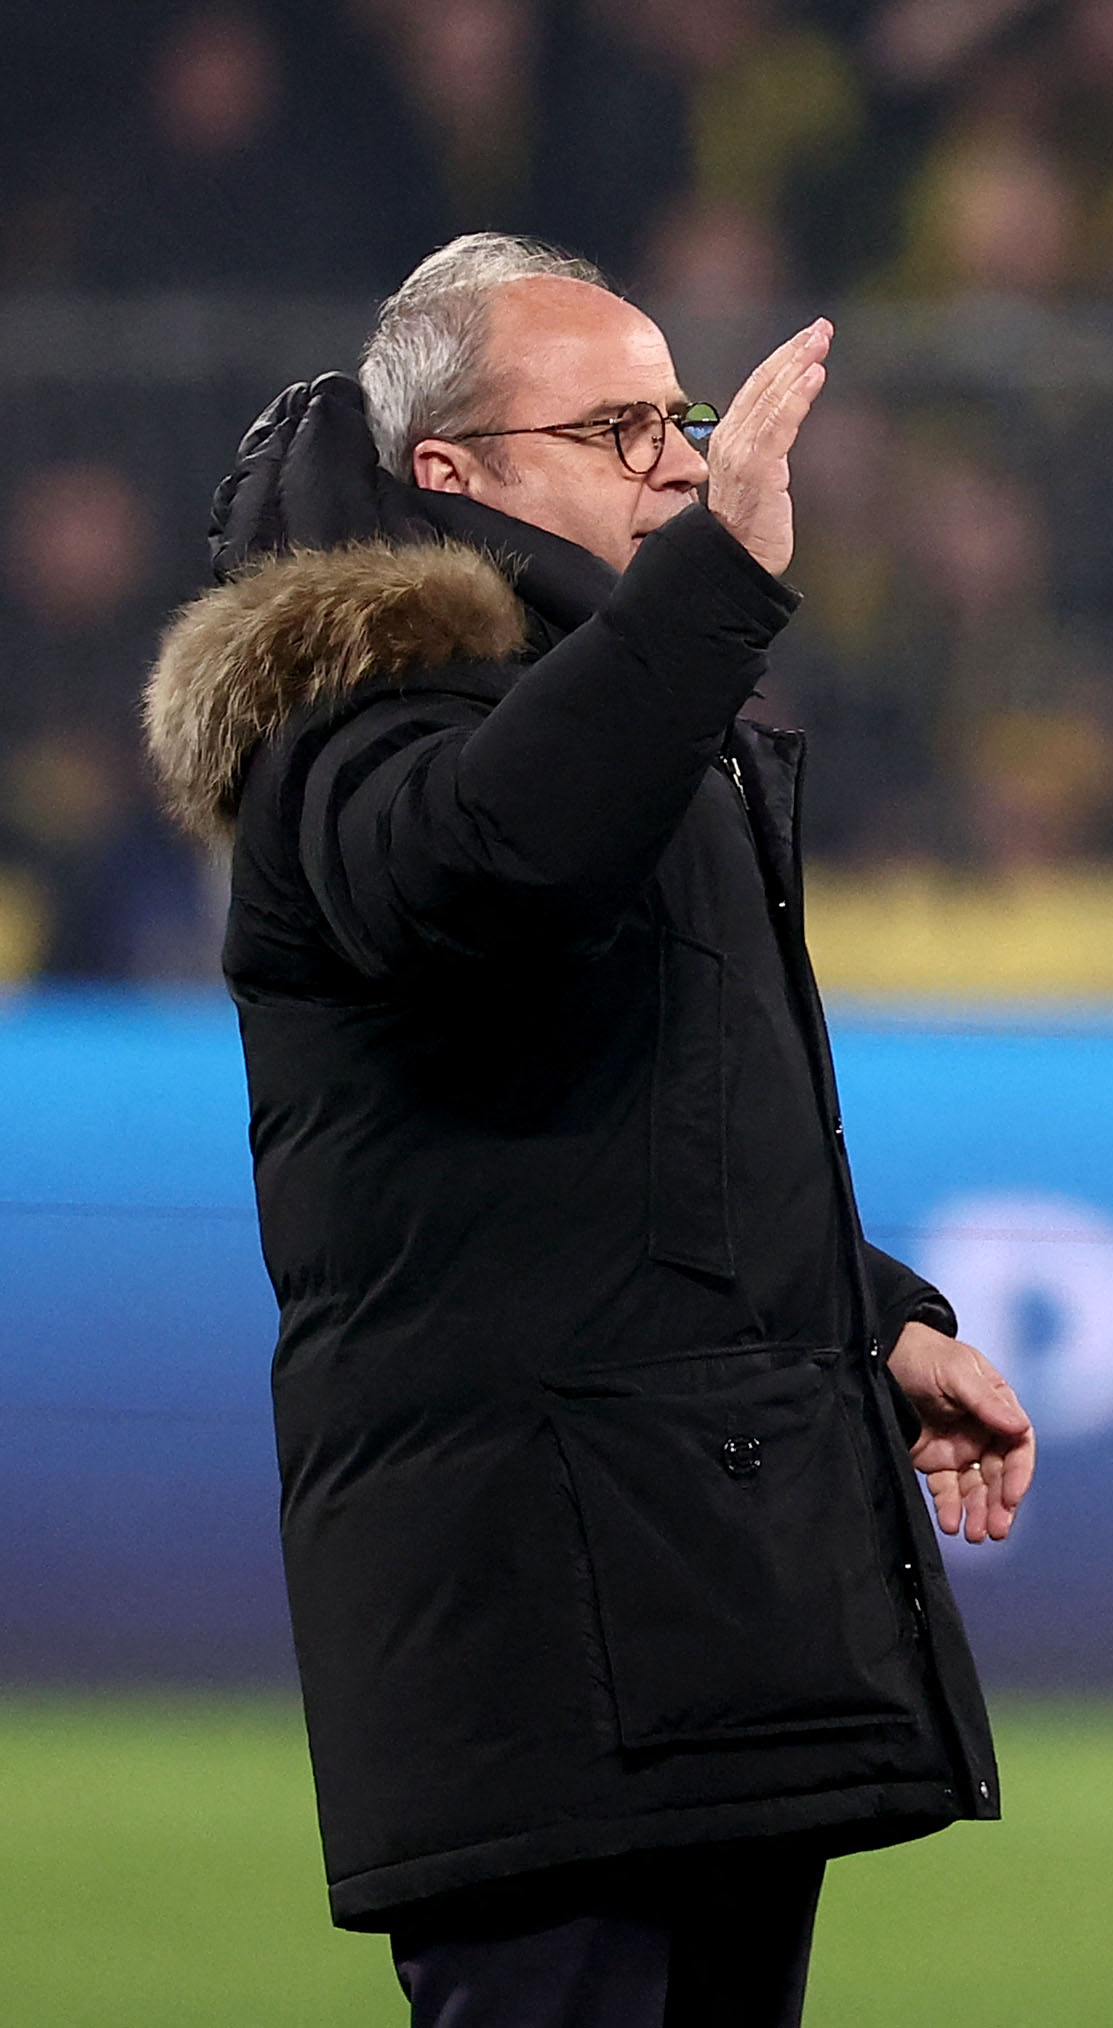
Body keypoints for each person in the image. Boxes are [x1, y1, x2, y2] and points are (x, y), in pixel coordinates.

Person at [140, 234, 1036, 2028]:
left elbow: (635, 1127)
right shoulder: (354, 724)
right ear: (450, 477)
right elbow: (494, 863)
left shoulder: (608, 733)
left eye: (679, 417)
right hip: (538, 1633)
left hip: (680, 1602)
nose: (685, 463)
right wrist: (715, 591)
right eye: (620, 427)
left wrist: (873, 1317)